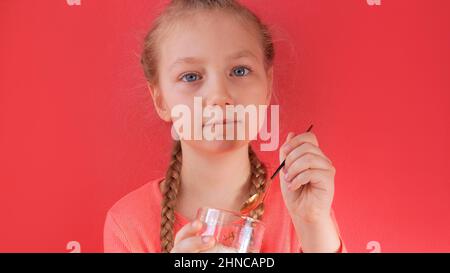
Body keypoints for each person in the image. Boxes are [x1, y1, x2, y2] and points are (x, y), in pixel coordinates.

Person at [104, 0, 345, 253]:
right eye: (190, 77)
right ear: (160, 100)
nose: (219, 95)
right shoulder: (129, 223)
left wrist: (313, 224)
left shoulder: (300, 205)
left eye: (240, 71)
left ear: (267, 85)